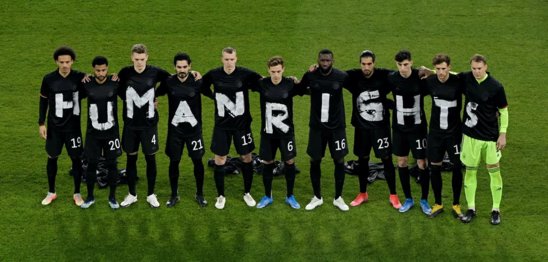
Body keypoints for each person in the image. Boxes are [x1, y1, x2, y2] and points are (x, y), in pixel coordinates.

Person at [200, 47, 262, 209]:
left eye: (232, 59)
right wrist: (212, 95)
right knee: (219, 159)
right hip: (222, 126)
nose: (229, 63)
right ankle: (220, 196)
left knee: (246, 157)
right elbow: (201, 85)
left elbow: (264, 83)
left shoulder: (245, 74)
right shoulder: (214, 74)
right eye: (226, 59)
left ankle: (247, 192)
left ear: (236, 59)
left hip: (242, 126)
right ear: (222, 59)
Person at [344, 50, 401, 209]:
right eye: (363, 64)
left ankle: (393, 195)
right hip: (361, 129)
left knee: (387, 160)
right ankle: (362, 193)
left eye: (369, 64)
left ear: (374, 63)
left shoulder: (384, 75)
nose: (366, 67)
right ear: (360, 64)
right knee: (362, 160)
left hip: (380, 128)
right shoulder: (354, 76)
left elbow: (403, 75)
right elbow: (334, 76)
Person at [117, 44, 170, 208]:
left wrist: (156, 95)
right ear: (131, 58)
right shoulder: (125, 72)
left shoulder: (155, 72)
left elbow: (171, 80)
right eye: (136, 59)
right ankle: (132, 194)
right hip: (131, 125)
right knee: (131, 159)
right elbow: (117, 89)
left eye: (142, 59)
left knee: (150, 159)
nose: (139, 63)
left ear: (147, 57)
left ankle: (151, 194)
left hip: (149, 125)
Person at [298, 49, 350, 211]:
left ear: (332, 61)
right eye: (322, 60)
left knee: (339, 160)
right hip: (317, 129)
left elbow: (358, 86)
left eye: (328, 60)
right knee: (315, 160)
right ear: (318, 60)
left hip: (337, 129)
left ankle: (338, 198)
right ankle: (317, 197)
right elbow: (300, 90)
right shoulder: (311, 75)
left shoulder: (341, 76)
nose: (325, 63)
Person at [460, 54, 508, 225]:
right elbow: (448, 74)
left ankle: (496, 210)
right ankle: (471, 208)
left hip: (490, 138)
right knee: (470, 172)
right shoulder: (466, 78)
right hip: (470, 137)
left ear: (486, 67)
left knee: (494, 173)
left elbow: (503, 110)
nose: (476, 72)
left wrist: (502, 133)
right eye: (473, 68)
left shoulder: (496, 86)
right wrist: (430, 72)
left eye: (479, 68)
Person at [156, 52, 207, 208]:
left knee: (197, 161)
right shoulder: (169, 82)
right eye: (179, 67)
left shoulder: (198, 81)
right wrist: (153, 101)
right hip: (175, 132)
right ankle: (173, 195)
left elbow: (214, 94)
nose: (182, 70)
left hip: (194, 131)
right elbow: (154, 93)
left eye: (185, 67)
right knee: (174, 161)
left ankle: (200, 194)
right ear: (174, 67)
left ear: (190, 66)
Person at [38, 46, 86, 206]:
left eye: (67, 62)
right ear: (56, 62)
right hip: (54, 128)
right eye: (61, 62)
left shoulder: (80, 78)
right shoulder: (49, 79)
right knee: (52, 158)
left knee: (76, 159)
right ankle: (51, 192)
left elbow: (98, 85)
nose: (65, 65)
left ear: (72, 61)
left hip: (73, 129)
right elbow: (43, 101)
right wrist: (41, 123)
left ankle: (77, 193)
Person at [387, 50, 431, 215]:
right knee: (402, 162)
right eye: (399, 65)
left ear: (411, 63)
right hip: (399, 129)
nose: (403, 68)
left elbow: (439, 83)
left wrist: (431, 72)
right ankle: (408, 199)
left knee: (422, 163)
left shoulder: (420, 78)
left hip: (418, 129)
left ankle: (424, 200)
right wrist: (391, 106)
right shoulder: (392, 78)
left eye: (406, 65)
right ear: (396, 64)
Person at [255, 56, 301, 209]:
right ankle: (268, 196)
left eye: (278, 71)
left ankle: (290, 196)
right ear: (268, 70)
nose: (276, 75)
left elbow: (307, 89)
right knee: (267, 163)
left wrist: (302, 79)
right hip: (268, 134)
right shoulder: (262, 83)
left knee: (289, 162)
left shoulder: (290, 84)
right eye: (273, 71)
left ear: (283, 70)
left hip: (286, 134)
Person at [424, 54, 464, 218]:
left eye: (444, 68)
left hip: (454, 134)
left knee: (456, 167)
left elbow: (477, 86)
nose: (441, 72)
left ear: (449, 67)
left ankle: (456, 204)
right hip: (435, 134)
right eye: (438, 69)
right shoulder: (430, 82)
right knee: (435, 167)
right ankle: (438, 203)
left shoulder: (458, 82)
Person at [80, 56, 122, 209]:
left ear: (107, 69)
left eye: (103, 70)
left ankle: (112, 197)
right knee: (91, 165)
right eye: (98, 70)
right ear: (93, 70)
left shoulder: (115, 82)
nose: (101, 73)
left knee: (112, 164)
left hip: (111, 133)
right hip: (93, 133)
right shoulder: (87, 83)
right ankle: (90, 197)